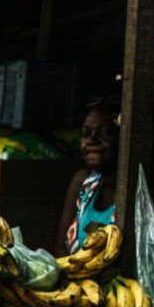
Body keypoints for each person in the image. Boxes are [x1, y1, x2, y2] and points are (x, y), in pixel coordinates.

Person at [55, 101, 118, 256]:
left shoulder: (136, 190)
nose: (93, 139)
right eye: (86, 133)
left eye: (105, 132)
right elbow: (59, 249)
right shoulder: (83, 181)